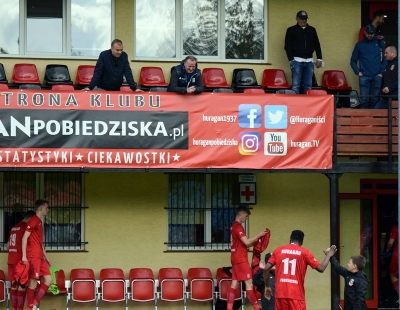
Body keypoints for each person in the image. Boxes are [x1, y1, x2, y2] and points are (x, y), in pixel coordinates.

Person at [263, 230, 336, 310]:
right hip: (296, 295)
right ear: (302, 242)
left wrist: (267, 286)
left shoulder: (278, 250)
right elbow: (321, 268)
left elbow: (266, 268)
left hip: (280, 294)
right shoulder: (305, 253)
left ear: (290, 238)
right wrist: (328, 256)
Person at [228, 205, 268, 310]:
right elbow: (246, 241)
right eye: (245, 216)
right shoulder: (238, 226)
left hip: (234, 258)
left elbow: (245, 244)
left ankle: (229, 308)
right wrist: (259, 235)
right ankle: (257, 308)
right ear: (241, 214)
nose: (246, 219)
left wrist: (256, 241)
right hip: (241, 259)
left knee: (234, 284)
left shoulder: (233, 226)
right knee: (249, 284)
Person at [21, 200, 52, 310]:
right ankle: (31, 307)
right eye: (46, 207)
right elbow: (24, 238)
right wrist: (24, 256)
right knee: (32, 284)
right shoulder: (33, 220)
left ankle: (34, 303)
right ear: (41, 208)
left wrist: (46, 257)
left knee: (49, 280)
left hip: (40, 257)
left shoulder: (39, 221)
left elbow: (39, 242)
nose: (47, 210)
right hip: (33, 256)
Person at [284, 10, 322, 94]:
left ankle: (307, 105)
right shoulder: (291, 30)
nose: (303, 20)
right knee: (296, 85)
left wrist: (319, 58)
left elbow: (317, 44)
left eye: (305, 18)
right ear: (297, 19)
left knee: (308, 85)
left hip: (309, 61)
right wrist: (291, 59)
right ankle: (295, 105)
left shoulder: (312, 30)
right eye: (301, 18)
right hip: (296, 61)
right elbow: (287, 46)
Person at [350, 24, 387, 109]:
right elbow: (352, 61)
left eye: (372, 33)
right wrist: (358, 72)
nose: (370, 35)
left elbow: (385, 59)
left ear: (374, 33)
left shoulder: (380, 43)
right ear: (365, 32)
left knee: (374, 100)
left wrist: (381, 73)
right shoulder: (359, 45)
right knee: (364, 101)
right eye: (368, 33)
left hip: (377, 76)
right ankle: (364, 121)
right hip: (364, 76)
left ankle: (373, 121)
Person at [7, 210, 36, 310]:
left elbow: (7, 246)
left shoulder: (14, 227)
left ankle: (14, 308)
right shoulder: (25, 228)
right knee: (22, 286)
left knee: (14, 286)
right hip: (20, 261)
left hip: (11, 260)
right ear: (30, 219)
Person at [387, 224, 399, 295]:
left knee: (393, 275)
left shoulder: (396, 227)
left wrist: (388, 248)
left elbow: (390, 242)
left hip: (397, 255)